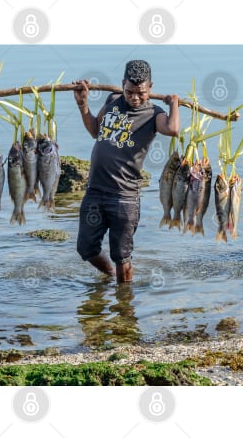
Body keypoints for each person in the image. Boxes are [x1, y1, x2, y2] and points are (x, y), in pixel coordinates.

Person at [73, 59, 179, 283]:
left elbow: (172, 129)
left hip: (124, 197)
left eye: (141, 93)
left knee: (122, 257)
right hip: (95, 191)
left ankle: (124, 306)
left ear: (150, 88)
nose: (135, 97)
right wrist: (83, 104)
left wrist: (174, 104)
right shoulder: (112, 100)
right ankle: (111, 276)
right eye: (130, 91)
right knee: (86, 248)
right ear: (122, 84)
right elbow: (95, 131)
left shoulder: (154, 114)